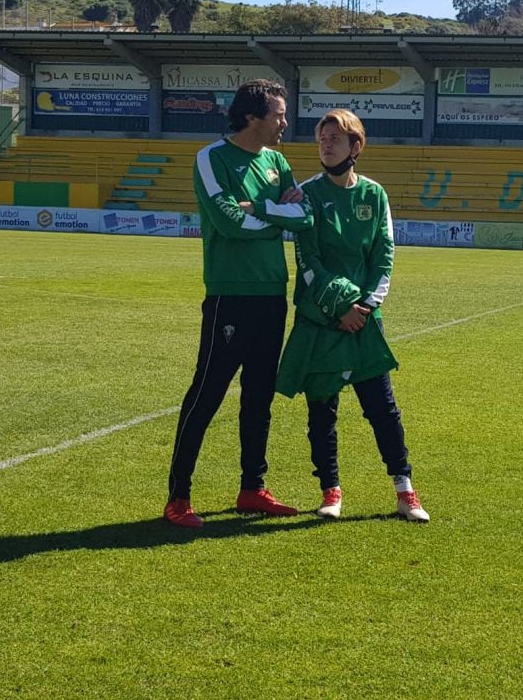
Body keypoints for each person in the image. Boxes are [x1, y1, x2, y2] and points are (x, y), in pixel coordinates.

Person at [165, 79, 314, 529]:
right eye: (279, 115)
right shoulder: (212, 158)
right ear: (253, 117)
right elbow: (228, 223)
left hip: (272, 295)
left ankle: (253, 488)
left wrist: (258, 208)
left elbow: (303, 217)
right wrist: (274, 213)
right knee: (206, 395)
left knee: (258, 399)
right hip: (230, 295)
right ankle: (178, 498)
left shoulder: (277, 161)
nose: (286, 122)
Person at [275, 109, 429, 523]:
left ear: (355, 146)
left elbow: (385, 255)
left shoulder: (375, 195)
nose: (326, 144)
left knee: (383, 409)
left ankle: (405, 491)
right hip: (322, 320)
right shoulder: (306, 194)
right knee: (321, 410)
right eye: (322, 138)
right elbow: (309, 261)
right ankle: (331, 490)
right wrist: (339, 306)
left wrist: (366, 306)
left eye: (335, 138)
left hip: (364, 320)